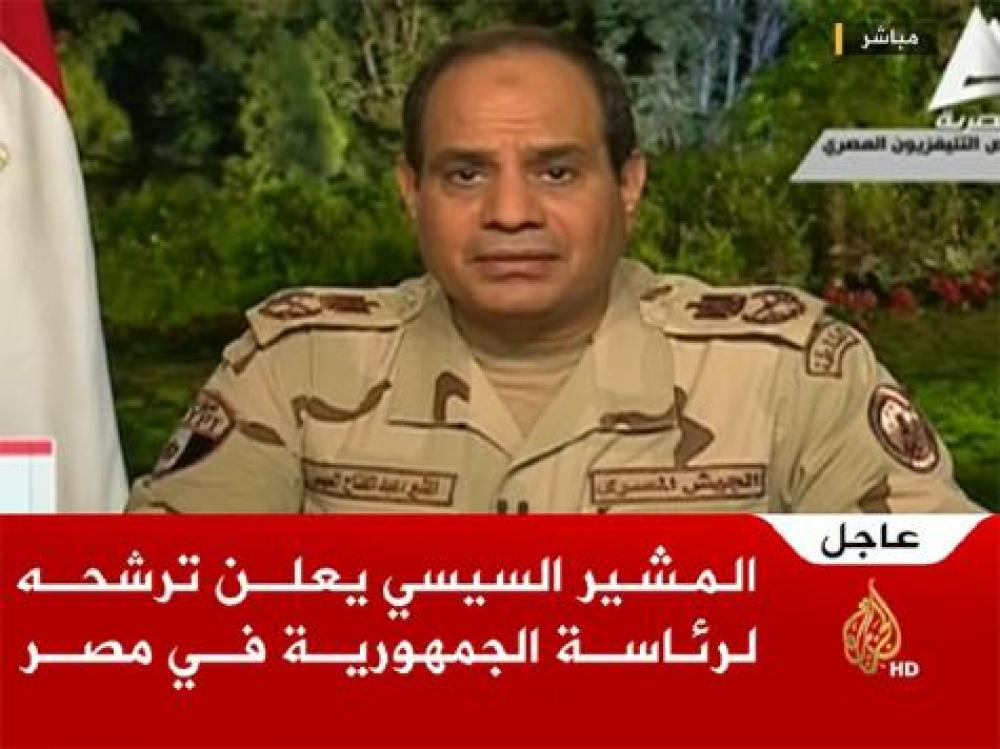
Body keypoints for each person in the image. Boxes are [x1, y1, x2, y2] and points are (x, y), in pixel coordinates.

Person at [126, 26, 981, 513]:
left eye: (557, 171)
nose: (510, 212)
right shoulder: (296, 366)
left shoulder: (789, 372)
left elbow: (942, 623)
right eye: (466, 174)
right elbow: (162, 625)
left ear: (629, 185)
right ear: (410, 191)